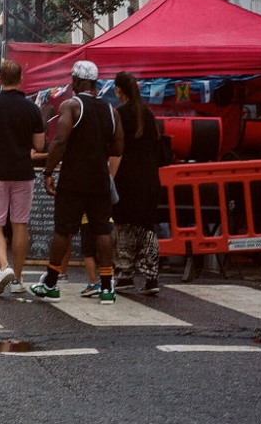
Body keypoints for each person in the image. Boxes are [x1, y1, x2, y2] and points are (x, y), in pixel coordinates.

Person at [30, 60, 124, 304]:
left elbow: (60, 141)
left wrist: (48, 171)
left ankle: (50, 283)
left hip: (73, 178)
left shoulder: (71, 105)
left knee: (63, 230)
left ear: (76, 81)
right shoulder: (111, 110)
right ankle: (106, 286)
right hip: (100, 179)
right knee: (102, 229)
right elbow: (118, 147)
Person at [0, 59, 46, 297]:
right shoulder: (31, 108)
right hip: (23, 172)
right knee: (20, 224)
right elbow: (39, 143)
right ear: (21, 79)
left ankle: (4, 267)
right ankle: (18, 279)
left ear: (0, 80)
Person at [112, 70, 162, 296]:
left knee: (124, 226)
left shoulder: (120, 114)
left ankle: (124, 275)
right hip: (150, 179)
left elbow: (114, 149)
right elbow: (159, 151)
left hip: (127, 179)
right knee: (147, 228)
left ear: (119, 90)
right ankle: (151, 278)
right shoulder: (149, 114)